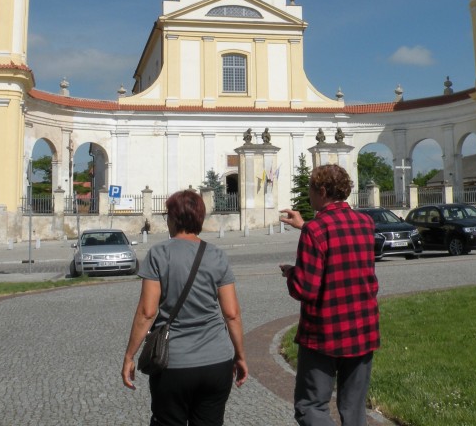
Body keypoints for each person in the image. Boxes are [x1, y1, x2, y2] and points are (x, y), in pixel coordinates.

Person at [123, 189, 248, 425]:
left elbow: (147, 312)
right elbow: (231, 314)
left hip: (173, 364)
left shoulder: (159, 254)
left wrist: (130, 355)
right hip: (216, 362)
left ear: (173, 218)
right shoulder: (217, 255)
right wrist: (240, 356)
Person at [279, 164, 379, 426]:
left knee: (311, 406)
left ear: (322, 191)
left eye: (311, 189)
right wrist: (305, 226)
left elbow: (305, 289)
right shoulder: (365, 223)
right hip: (362, 326)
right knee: (354, 408)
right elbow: (342, 246)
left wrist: (291, 274)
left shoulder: (316, 230)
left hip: (325, 332)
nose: (309, 194)